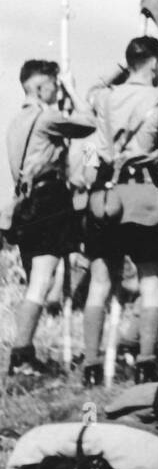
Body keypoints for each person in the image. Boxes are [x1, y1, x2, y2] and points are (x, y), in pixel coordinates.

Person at [81, 38, 158, 386]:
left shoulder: (105, 98)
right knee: (150, 279)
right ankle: (146, 362)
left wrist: (121, 68)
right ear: (155, 64)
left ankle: (92, 365)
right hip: (144, 195)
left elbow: (93, 87)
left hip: (106, 195)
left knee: (100, 282)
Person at [4, 59, 96, 377]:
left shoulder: (17, 121)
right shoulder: (45, 118)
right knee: (42, 283)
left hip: (26, 204)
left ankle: (23, 352)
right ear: (42, 87)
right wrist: (72, 88)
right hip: (47, 202)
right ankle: (21, 354)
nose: (56, 90)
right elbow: (89, 123)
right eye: (53, 85)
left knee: (36, 281)